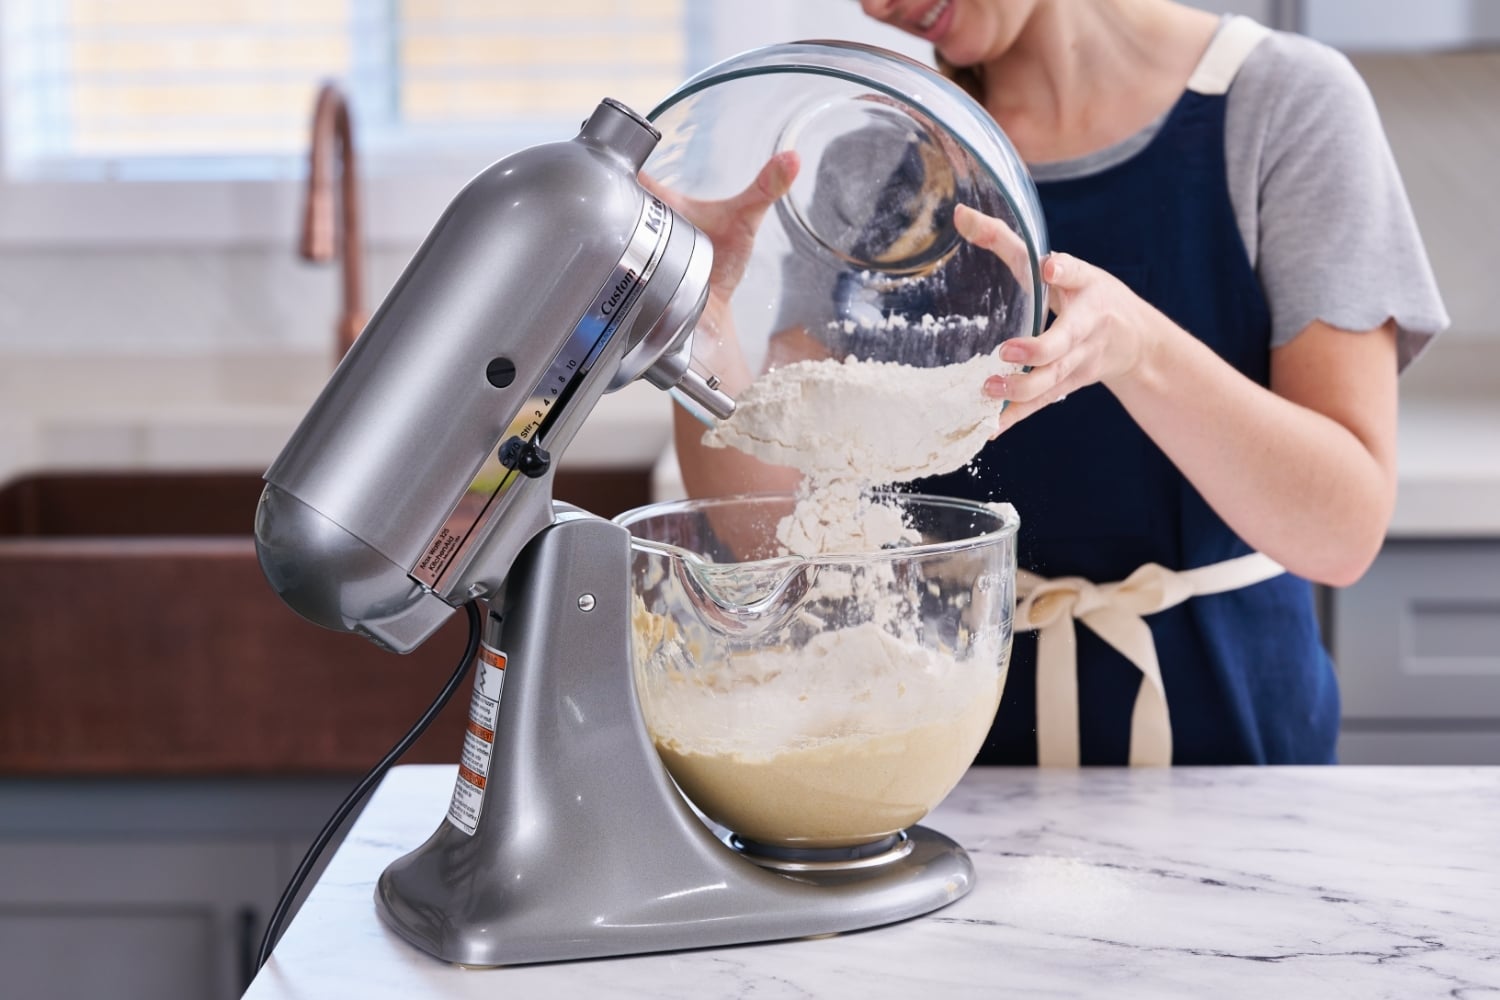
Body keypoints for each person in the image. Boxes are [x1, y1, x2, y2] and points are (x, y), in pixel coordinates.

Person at [661, 0, 1449, 766]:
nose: (878, 6)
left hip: (1230, 750)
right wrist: (697, 317)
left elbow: (1343, 530)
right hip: (940, 754)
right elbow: (764, 519)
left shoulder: (1285, 104)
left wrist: (1139, 350)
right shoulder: (878, 149)